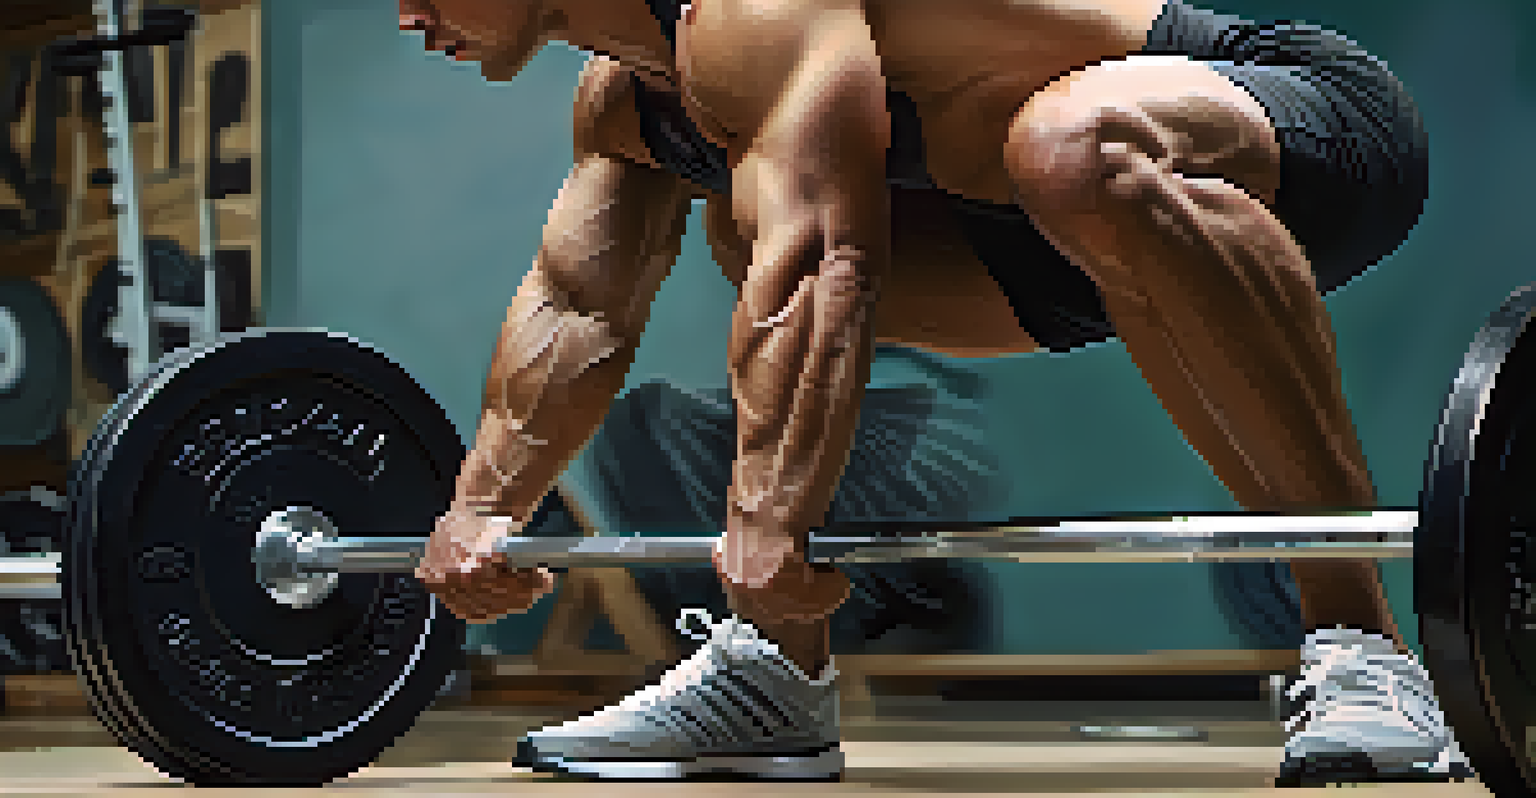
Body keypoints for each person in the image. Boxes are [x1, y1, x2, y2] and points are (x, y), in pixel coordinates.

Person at [400, 0, 1470, 786]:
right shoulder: (626, 102)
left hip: (1296, 131)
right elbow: (580, 306)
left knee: (1062, 147)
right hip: (1046, 233)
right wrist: (483, 506)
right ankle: (778, 677)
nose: (407, 13)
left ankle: (1365, 649)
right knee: (745, 226)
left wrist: (772, 518)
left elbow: (825, 262)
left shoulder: (750, 13)